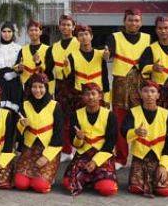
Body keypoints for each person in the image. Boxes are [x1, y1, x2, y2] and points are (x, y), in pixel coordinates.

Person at [105, 8, 150, 169]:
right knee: (120, 121)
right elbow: (108, 53)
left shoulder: (147, 38)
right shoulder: (114, 37)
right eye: (130, 19)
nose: (133, 23)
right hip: (121, 84)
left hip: (141, 83)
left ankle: (142, 156)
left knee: (142, 121)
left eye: (137, 20)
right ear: (124, 21)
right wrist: (106, 54)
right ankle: (121, 158)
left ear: (141, 22)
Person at [120, 80, 168, 198]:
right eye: (145, 91)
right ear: (140, 94)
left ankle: (159, 176)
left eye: (152, 91)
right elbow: (124, 131)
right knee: (136, 188)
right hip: (140, 159)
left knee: (164, 191)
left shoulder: (166, 114)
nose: (149, 95)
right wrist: (135, 132)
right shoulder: (133, 112)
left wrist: (164, 166)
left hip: (159, 159)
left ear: (158, 95)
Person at [63, 83, 118, 197]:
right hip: (83, 153)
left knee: (108, 189)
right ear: (83, 97)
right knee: (68, 184)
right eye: (87, 94)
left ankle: (93, 181)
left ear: (100, 96)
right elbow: (74, 144)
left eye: (93, 94)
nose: (91, 97)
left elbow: (110, 143)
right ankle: (92, 181)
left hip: (103, 153)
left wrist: (95, 161)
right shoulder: (76, 115)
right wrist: (78, 138)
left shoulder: (110, 115)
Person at [14, 73, 63, 194]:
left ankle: (45, 178)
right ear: (30, 88)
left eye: (41, 87)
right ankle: (32, 178)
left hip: (48, 149)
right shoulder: (25, 105)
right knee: (20, 184)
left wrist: (46, 157)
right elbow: (18, 134)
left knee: (40, 186)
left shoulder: (55, 106)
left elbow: (58, 135)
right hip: (29, 149)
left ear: (46, 88)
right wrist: (21, 124)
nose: (37, 90)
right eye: (34, 87)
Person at [44, 14, 79, 161]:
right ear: (59, 27)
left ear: (73, 27)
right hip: (60, 86)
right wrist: (50, 91)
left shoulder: (79, 43)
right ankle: (66, 150)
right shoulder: (54, 48)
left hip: (77, 84)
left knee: (79, 119)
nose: (65, 27)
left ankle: (81, 149)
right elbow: (48, 72)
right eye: (63, 25)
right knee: (63, 119)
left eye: (68, 25)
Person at [66, 24, 111, 106]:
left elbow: (105, 77)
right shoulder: (72, 56)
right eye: (81, 35)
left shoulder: (101, 54)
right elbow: (70, 79)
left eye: (86, 34)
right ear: (77, 39)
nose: (84, 37)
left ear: (91, 36)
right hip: (79, 95)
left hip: (98, 94)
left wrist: (107, 96)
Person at [0, 22, 21, 113]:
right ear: (0, 33)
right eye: (4, 31)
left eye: (9, 31)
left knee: (15, 108)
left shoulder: (18, 48)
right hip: (0, 81)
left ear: (13, 33)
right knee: (2, 110)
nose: (6, 34)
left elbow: (21, 65)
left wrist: (13, 74)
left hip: (15, 82)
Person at [15, 20, 49, 90]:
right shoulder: (23, 50)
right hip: (27, 86)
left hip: (43, 86)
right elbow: (17, 66)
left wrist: (38, 63)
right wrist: (19, 68)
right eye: (31, 30)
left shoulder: (48, 49)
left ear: (40, 32)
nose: (33, 32)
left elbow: (50, 70)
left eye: (36, 30)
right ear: (27, 32)